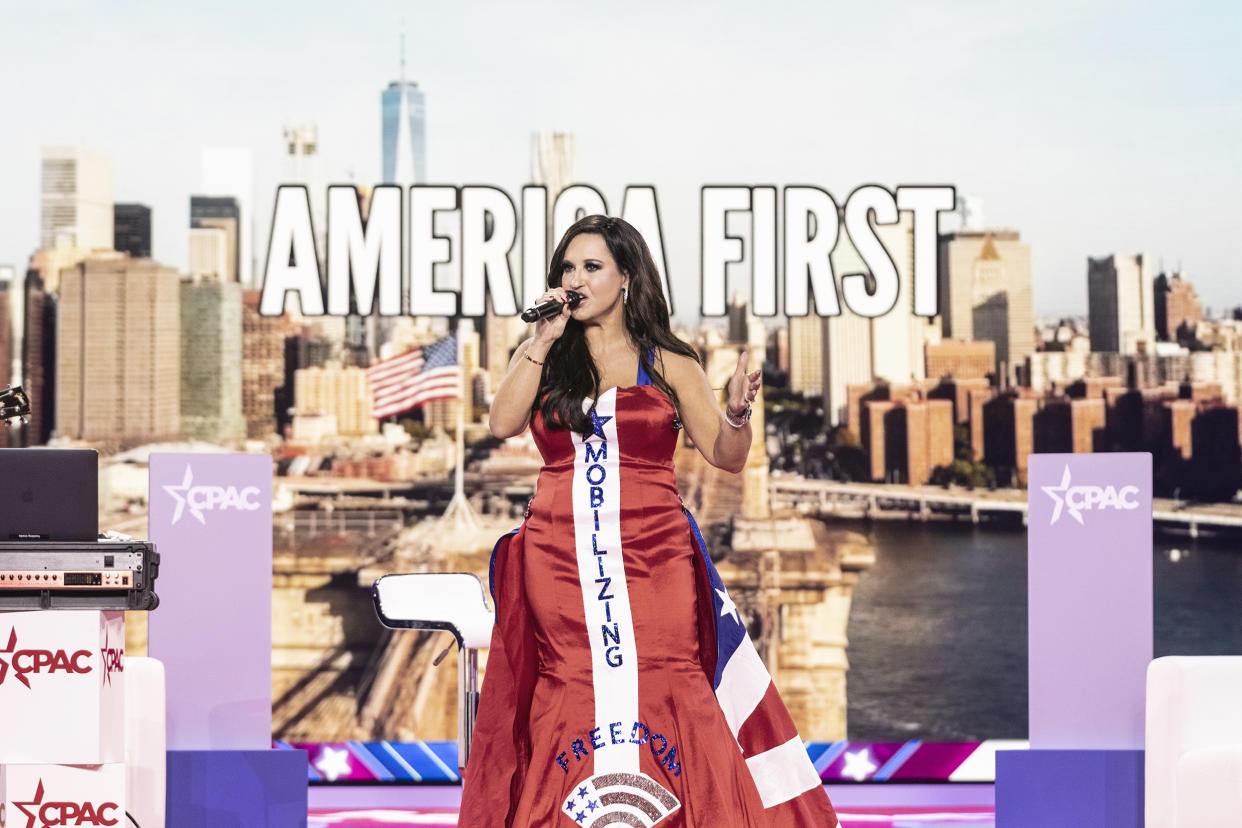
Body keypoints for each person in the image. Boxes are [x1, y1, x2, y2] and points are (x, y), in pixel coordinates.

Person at [460, 215, 838, 827]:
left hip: (656, 556)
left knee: (668, 679)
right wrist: (541, 339)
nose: (575, 280)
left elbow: (727, 457)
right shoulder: (546, 359)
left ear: (627, 278)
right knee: (571, 684)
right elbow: (502, 422)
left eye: (591, 268)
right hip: (559, 557)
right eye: (567, 269)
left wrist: (739, 415)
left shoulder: (669, 361)